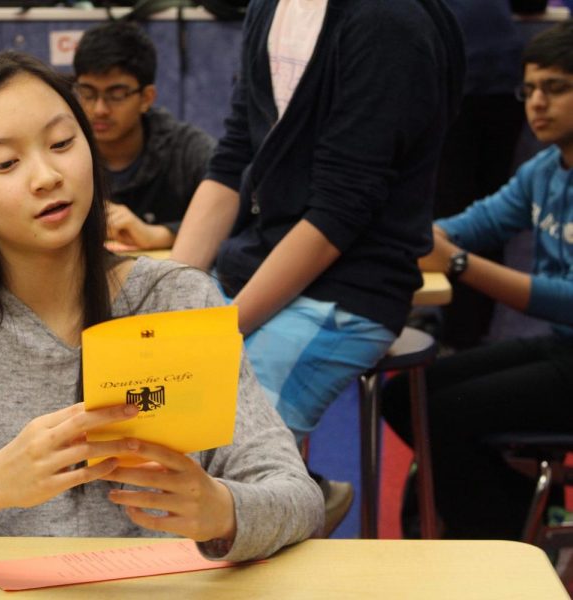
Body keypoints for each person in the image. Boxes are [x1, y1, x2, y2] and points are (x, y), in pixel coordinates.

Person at [0, 52, 323, 559]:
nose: (47, 176)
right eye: (6, 162)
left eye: (62, 143)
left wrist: (222, 510)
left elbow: (296, 496)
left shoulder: (177, 299)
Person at [170, 0, 465, 534]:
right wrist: (173, 296)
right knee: (148, 419)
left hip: (346, 290)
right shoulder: (270, 6)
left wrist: (214, 332)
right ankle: (306, 490)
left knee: (213, 459)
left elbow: (338, 214)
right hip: (256, 266)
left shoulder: (388, 23)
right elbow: (233, 158)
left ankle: (294, 503)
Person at [382, 21, 573, 540]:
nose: (537, 103)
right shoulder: (544, 171)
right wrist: (397, 235)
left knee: (441, 415)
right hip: (561, 350)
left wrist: (459, 263)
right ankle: (524, 519)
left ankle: (503, 549)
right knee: (405, 399)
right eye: (529, 89)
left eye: (555, 89)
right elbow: (468, 226)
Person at [426, 0, 526, 350]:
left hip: (460, 74)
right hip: (501, 74)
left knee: (465, 208)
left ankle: (457, 333)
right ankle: (469, 332)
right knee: (487, 209)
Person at [73, 21, 215, 250]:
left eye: (116, 94)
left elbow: (239, 215)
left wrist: (160, 234)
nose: (99, 109)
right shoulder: (63, 151)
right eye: (87, 93)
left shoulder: (186, 149)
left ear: (147, 98)